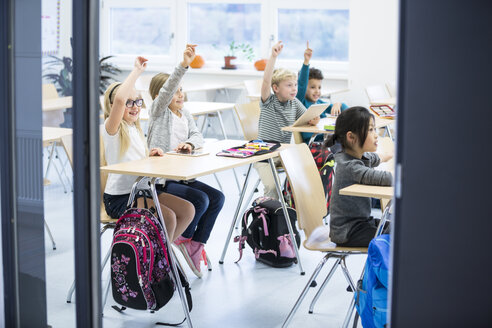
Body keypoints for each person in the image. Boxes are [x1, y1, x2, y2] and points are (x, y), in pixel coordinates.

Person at [147, 45, 225, 278]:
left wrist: (190, 144)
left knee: (217, 198)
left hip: (184, 177)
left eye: (182, 90)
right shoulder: (159, 113)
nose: (179, 94)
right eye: (175, 90)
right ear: (161, 96)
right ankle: (182, 235)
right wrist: (183, 65)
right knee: (199, 200)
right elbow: (167, 90)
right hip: (163, 181)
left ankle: (195, 243)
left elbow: (197, 135)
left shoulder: (186, 114)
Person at [102, 56, 194, 243]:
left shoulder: (134, 129)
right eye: (129, 103)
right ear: (114, 107)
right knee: (167, 217)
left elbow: (133, 158)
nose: (135, 107)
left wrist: (148, 156)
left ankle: (158, 254)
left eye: (137, 101)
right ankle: (157, 261)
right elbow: (120, 99)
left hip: (141, 192)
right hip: (120, 198)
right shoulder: (112, 128)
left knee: (187, 210)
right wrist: (137, 71)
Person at [255, 41, 319, 199]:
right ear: (276, 88)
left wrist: (313, 119)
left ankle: (289, 212)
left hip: (283, 152)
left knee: (301, 179)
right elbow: (266, 81)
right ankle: (268, 218)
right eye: (289, 85)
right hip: (263, 155)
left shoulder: (294, 103)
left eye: (295, 85)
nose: (294, 89)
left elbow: (307, 118)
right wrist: (273, 57)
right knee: (272, 187)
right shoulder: (268, 101)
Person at [324, 106, 393, 247]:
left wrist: (389, 156)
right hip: (348, 231)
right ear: (351, 137)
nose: (375, 134)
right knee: (395, 236)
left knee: (397, 227)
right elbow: (381, 178)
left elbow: (376, 158)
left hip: (361, 223)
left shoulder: (359, 156)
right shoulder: (349, 166)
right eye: (370, 130)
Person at [297, 41, 349, 144]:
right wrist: (306, 62)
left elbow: (344, 109)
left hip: (325, 138)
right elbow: (302, 85)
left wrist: (338, 104)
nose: (317, 91)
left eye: (319, 87)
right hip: (314, 142)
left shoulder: (320, 103)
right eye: (312, 87)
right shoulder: (300, 102)